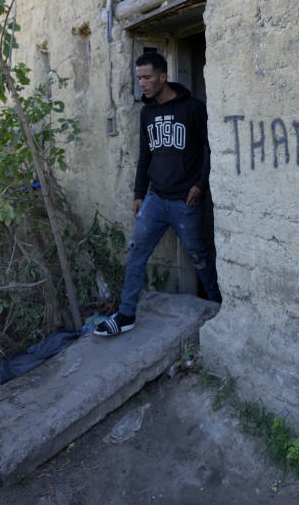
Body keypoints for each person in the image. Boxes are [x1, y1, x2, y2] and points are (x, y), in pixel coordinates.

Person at [95, 51, 221, 336]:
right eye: (139, 78)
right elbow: (145, 155)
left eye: (147, 77)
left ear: (163, 76)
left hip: (185, 201)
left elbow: (210, 148)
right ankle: (126, 315)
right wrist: (139, 193)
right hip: (155, 198)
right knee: (136, 250)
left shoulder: (193, 108)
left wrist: (201, 184)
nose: (142, 83)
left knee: (199, 255)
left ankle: (216, 306)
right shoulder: (147, 112)